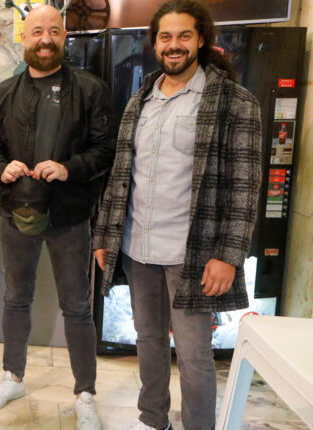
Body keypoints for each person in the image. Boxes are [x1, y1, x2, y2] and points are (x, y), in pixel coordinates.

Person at [92, 1, 262, 428]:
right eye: (165, 37)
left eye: (184, 35)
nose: (174, 45)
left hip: (195, 256)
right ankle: (154, 421)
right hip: (138, 247)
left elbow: (246, 188)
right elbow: (119, 176)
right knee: (147, 342)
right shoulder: (140, 100)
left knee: (193, 356)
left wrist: (229, 255)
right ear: (155, 42)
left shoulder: (233, 102)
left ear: (201, 39)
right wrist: (105, 237)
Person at [0, 5, 115, 427]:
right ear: (24, 38)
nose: (45, 38)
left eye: (53, 31)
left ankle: (85, 392)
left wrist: (69, 167)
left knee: (77, 306)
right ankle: (13, 375)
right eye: (37, 31)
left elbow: (106, 150)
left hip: (70, 216)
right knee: (15, 299)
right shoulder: (3, 92)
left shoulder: (90, 90)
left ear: (64, 36)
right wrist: (3, 168)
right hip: (16, 213)